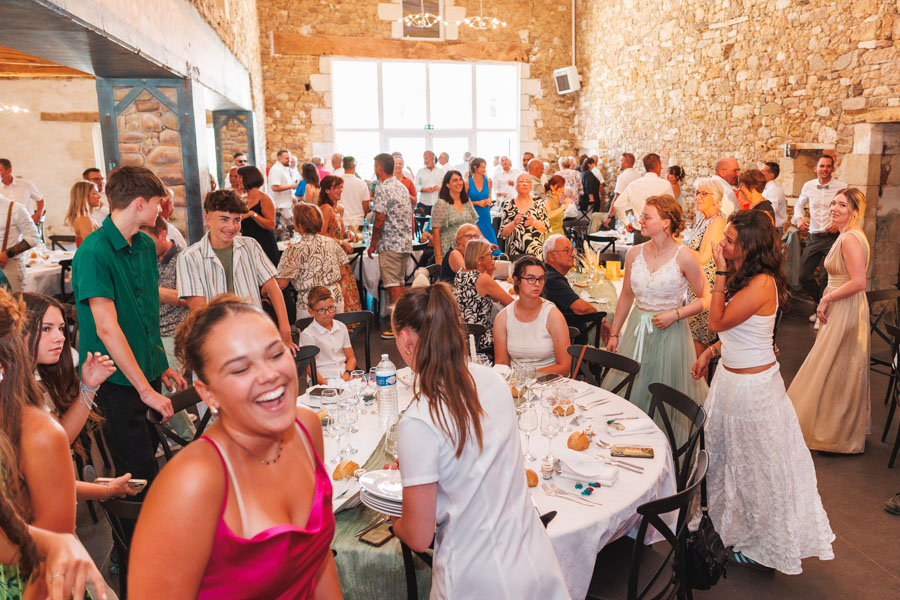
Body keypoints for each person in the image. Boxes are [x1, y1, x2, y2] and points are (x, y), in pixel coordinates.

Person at [129, 294, 340, 598]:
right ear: (208, 393)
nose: (269, 375)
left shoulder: (306, 428)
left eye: (275, 354)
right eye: (241, 369)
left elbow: (317, 562)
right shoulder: (192, 483)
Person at [389, 283, 569, 600]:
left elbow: (418, 537)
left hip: (478, 576)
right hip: (533, 555)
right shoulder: (493, 382)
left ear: (406, 340)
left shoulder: (417, 421)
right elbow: (479, 462)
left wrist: (392, 507)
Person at [690, 210, 834, 573]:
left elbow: (717, 320)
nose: (722, 244)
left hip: (754, 392)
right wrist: (710, 351)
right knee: (727, 463)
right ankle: (730, 530)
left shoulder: (762, 283)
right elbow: (741, 332)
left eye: (729, 241)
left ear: (749, 247)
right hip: (729, 382)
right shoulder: (745, 276)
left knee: (757, 469)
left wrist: (720, 272)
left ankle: (763, 545)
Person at [73, 165, 188, 496]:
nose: (161, 209)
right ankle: (129, 548)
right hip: (118, 382)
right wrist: (145, 389)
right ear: (140, 203)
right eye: (157, 202)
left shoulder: (144, 246)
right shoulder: (93, 252)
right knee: (134, 475)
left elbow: (146, 315)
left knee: (151, 463)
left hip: (143, 372)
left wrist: (159, 364)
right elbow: (107, 329)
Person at [605, 195, 710, 440]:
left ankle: (664, 445)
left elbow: (705, 299)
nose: (640, 220)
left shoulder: (684, 256)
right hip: (636, 330)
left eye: (646, 216)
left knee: (664, 390)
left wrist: (675, 315)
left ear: (666, 223)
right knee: (631, 386)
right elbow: (626, 296)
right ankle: (628, 441)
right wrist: (615, 333)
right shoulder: (633, 253)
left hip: (670, 333)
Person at [789, 188, 870, 454]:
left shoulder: (850, 239)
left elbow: (858, 282)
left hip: (844, 305)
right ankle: (833, 426)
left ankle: (833, 431)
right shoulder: (846, 234)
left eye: (842, 206)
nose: (834, 208)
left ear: (855, 212)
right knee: (837, 364)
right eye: (834, 203)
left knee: (832, 363)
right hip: (841, 303)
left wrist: (825, 299)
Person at [177, 189, 296, 347]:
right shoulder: (189, 257)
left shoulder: (250, 246)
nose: (231, 226)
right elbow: (199, 310)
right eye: (224, 219)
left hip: (255, 336)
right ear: (208, 219)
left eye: (237, 220)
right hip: (217, 341)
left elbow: (273, 288)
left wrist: (285, 329)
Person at [494, 256, 571, 374]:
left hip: (549, 382)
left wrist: (528, 376)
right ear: (516, 280)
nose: (537, 284)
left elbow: (565, 367)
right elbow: (502, 365)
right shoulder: (503, 317)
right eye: (530, 278)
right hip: (517, 385)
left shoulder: (552, 315)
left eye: (541, 279)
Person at [791, 155, 847, 318]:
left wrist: (839, 224)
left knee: (826, 277)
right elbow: (798, 206)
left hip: (833, 238)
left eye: (828, 166)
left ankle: (823, 312)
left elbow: (850, 209)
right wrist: (799, 219)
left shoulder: (842, 187)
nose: (824, 169)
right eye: (822, 166)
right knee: (803, 276)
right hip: (814, 237)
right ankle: (819, 303)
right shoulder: (808, 186)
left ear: (833, 169)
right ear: (816, 168)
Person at [367, 153, 413, 339]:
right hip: (403, 242)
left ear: (379, 168)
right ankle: (407, 324)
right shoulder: (400, 185)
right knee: (400, 285)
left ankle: (400, 328)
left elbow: (379, 220)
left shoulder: (383, 188)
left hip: (390, 243)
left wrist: (372, 244)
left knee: (394, 287)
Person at [277, 202, 348, 316]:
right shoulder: (332, 243)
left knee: (310, 334)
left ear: (299, 224)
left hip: (310, 304)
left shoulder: (294, 249)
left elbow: (281, 284)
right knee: (334, 332)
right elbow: (343, 273)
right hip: (334, 300)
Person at [683, 179, 727, 356]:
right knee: (691, 341)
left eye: (704, 194)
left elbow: (703, 257)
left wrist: (676, 244)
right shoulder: (703, 219)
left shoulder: (717, 221)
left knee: (698, 344)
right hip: (695, 285)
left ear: (715, 197)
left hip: (706, 288)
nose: (698, 197)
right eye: (697, 193)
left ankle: (699, 381)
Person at [453, 239, 513, 348]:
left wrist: (490, 271)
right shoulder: (482, 279)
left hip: (459, 334)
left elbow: (483, 296)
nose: (493, 257)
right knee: (512, 330)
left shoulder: (461, 272)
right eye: (490, 254)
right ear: (480, 259)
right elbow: (510, 303)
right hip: (478, 336)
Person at [318, 175, 362, 312]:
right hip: (330, 256)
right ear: (327, 191)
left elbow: (336, 232)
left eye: (341, 187)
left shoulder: (340, 209)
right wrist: (342, 242)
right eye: (337, 187)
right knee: (338, 290)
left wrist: (347, 235)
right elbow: (321, 235)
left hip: (340, 256)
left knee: (346, 287)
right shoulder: (325, 208)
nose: (340, 190)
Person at [298, 286, 357, 384]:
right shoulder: (308, 335)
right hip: (321, 379)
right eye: (321, 310)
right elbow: (310, 370)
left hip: (344, 375)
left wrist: (346, 376)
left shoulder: (341, 327)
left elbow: (351, 358)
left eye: (331, 308)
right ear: (311, 312)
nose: (328, 313)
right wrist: (329, 386)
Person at [613, 153, 675, 244]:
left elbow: (617, 204)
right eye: (661, 165)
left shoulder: (633, 185)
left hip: (640, 233)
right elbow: (673, 209)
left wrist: (626, 223)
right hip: (659, 234)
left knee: (638, 257)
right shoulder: (665, 185)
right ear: (658, 165)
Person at [542, 234, 600, 317]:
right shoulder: (552, 279)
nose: (572, 254)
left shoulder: (549, 272)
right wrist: (601, 320)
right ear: (551, 256)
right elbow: (581, 308)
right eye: (566, 251)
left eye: (572, 250)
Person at [432, 170, 479, 265]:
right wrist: (438, 256)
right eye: (455, 180)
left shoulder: (466, 201)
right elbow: (436, 231)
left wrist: (484, 241)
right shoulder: (441, 204)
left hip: (468, 249)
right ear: (448, 185)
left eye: (460, 179)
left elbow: (473, 224)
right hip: (450, 249)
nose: (459, 183)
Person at [499, 173, 549, 259]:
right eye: (521, 181)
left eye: (528, 182)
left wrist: (533, 222)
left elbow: (545, 228)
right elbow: (503, 233)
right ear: (515, 185)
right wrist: (514, 223)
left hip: (536, 253)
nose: (524, 184)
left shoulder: (539, 202)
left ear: (531, 186)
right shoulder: (508, 204)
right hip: (514, 253)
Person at [238, 165, 279, 265]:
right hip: (248, 243)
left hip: (264, 243)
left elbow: (271, 225)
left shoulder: (264, 198)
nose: (238, 180)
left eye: (240, 177)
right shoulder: (243, 200)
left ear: (249, 178)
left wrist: (253, 214)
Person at [0, 189, 40, 293]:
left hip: (8, 268)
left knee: (11, 307)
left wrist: (7, 254)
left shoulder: (15, 209)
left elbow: (33, 237)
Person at [465, 157, 499, 252]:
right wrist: (477, 203)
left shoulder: (488, 181)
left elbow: (489, 197)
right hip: (473, 214)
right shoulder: (467, 183)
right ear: (475, 168)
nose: (485, 170)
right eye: (483, 167)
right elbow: (464, 202)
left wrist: (489, 201)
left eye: (485, 167)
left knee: (490, 238)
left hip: (485, 213)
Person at [0, 158, 44, 226]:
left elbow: (40, 200)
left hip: (26, 225)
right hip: (5, 226)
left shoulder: (26, 184)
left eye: (0, 170)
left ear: (9, 170)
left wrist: (38, 213)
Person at [602, 153, 641, 228]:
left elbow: (617, 198)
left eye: (621, 161)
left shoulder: (623, 177)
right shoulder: (638, 175)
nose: (620, 163)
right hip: (636, 211)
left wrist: (609, 217)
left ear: (625, 162)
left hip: (625, 212)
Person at [65, 181, 102, 247]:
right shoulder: (84, 220)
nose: (99, 196)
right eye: (95, 193)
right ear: (84, 196)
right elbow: (92, 247)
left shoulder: (90, 218)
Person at [268, 149, 300, 225]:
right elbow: (275, 187)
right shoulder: (276, 170)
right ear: (279, 159)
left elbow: (285, 183)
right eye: (287, 158)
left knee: (290, 229)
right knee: (285, 231)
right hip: (280, 205)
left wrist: (292, 196)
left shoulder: (284, 168)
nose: (289, 160)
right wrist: (292, 186)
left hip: (287, 203)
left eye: (290, 158)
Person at [340, 156, 369, 228]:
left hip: (341, 221)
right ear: (354, 166)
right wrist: (362, 216)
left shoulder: (337, 182)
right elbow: (366, 205)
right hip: (358, 221)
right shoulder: (362, 183)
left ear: (342, 165)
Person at [414, 150, 444, 215]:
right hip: (424, 204)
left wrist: (439, 188)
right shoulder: (420, 171)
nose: (425, 161)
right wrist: (423, 189)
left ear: (433, 159)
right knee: (423, 224)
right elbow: (415, 185)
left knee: (438, 225)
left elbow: (447, 186)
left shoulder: (441, 171)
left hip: (438, 204)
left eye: (426, 158)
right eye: (424, 159)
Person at [761, 161, 787, 229]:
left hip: (773, 228)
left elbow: (770, 211)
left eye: (763, 171)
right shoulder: (767, 188)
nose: (760, 173)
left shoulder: (773, 190)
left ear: (771, 175)